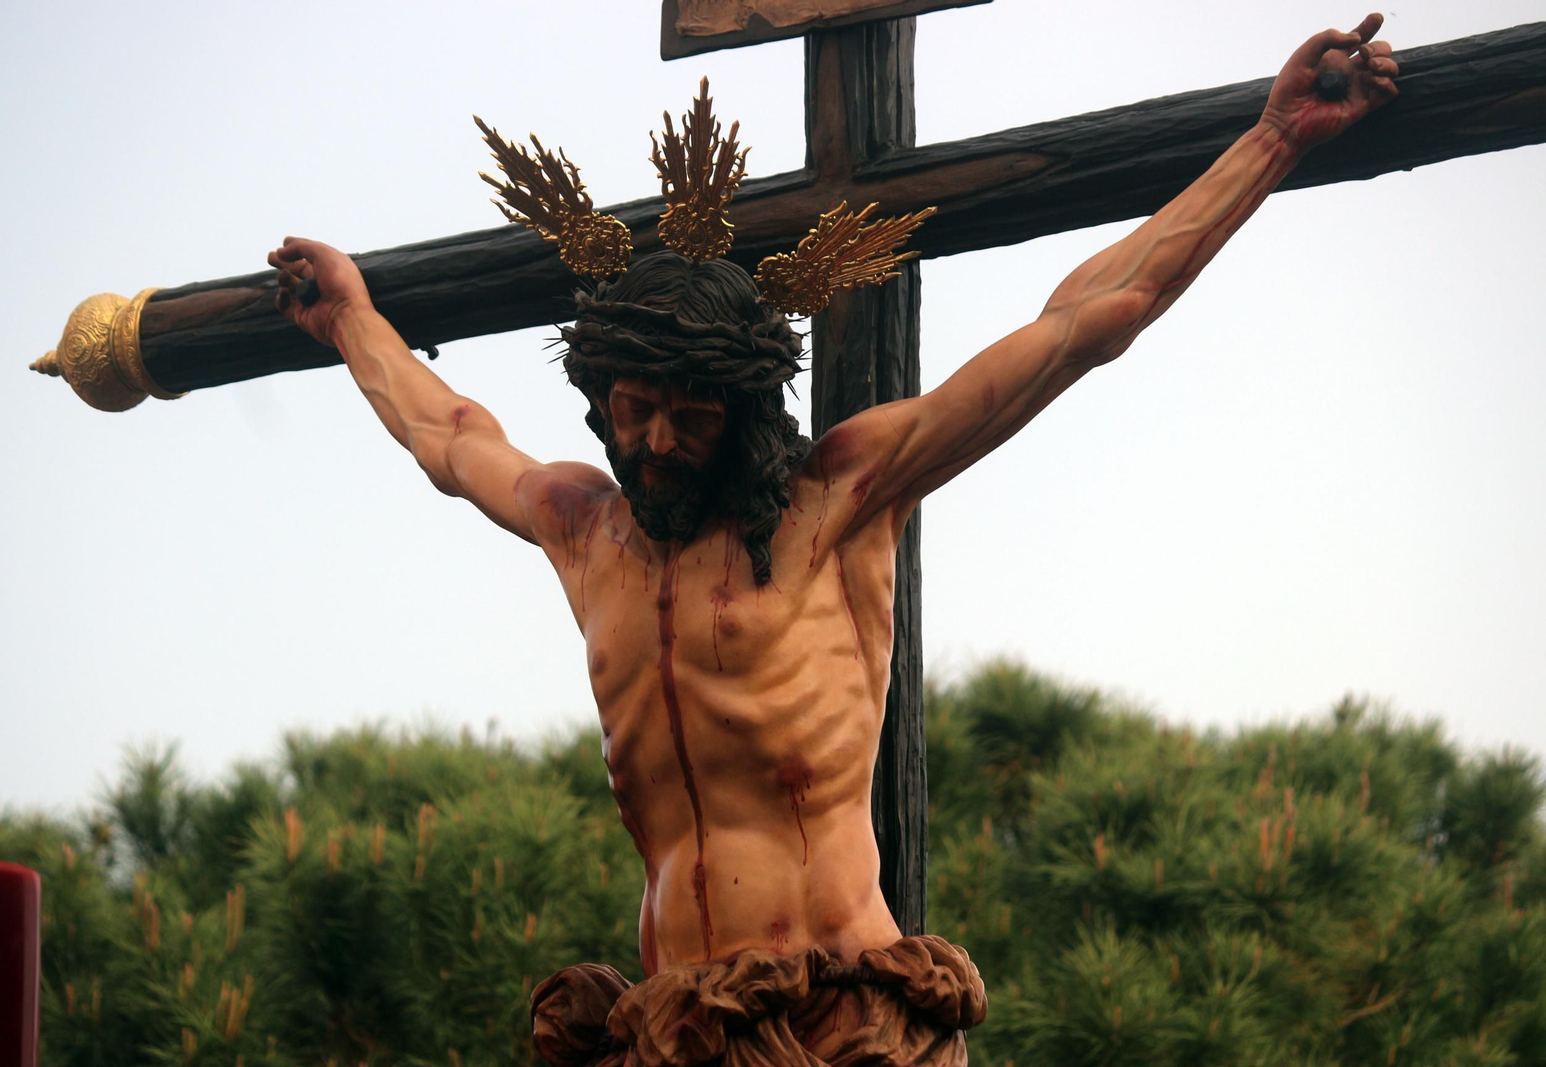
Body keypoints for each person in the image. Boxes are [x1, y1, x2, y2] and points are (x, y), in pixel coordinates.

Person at [267, 16, 1398, 1065]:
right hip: (676, 1024)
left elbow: (1085, 322)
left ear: (745, 412)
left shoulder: (839, 497)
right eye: (631, 408)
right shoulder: (583, 524)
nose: (654, 440)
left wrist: (1271, 138)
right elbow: (448, 434)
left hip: (846, 1017)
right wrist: (353, 318)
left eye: (692, 416)